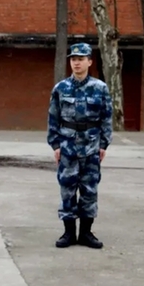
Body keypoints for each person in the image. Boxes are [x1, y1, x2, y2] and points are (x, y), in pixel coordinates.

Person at [46, 42, 113, 249]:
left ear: (89, 62)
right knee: (67, 189)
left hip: (92, 146)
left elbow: (107, 118)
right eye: (73, 59)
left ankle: (85, 232)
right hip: (67, 146)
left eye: (81, 59)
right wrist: (55, 144)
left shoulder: (100, 88)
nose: (76, 63)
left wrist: (104, 144)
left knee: (89, 190)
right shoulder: (61, 88)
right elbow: (53, 118)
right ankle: (68, 233)